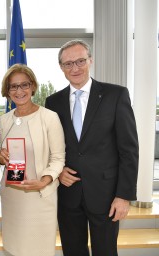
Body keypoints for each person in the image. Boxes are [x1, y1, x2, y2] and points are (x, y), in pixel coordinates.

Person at [45, 39, 139, 256]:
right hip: (69, 194)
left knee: (105, 251)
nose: (75, 68)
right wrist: (58, 171)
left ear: (90, 61)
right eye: (68, 64)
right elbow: (50, 148)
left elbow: (129, 150)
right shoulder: (53, 102)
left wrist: (124, 195)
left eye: (80, 61)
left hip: (106, 195)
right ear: (61, 68)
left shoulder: (116, 95)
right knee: (73, 251)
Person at [0, 63, 65, 256]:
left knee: (38, 250)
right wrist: (0, 157)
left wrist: (45, 180)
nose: (19, 91)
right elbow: (3, 155)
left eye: (24, 85)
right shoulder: (5, 119)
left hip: (40, 196)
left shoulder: (49, 118)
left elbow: (58, 158)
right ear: (7, 91)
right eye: (13, 86)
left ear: (33, 86)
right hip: (12, 195)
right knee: (14, 249)